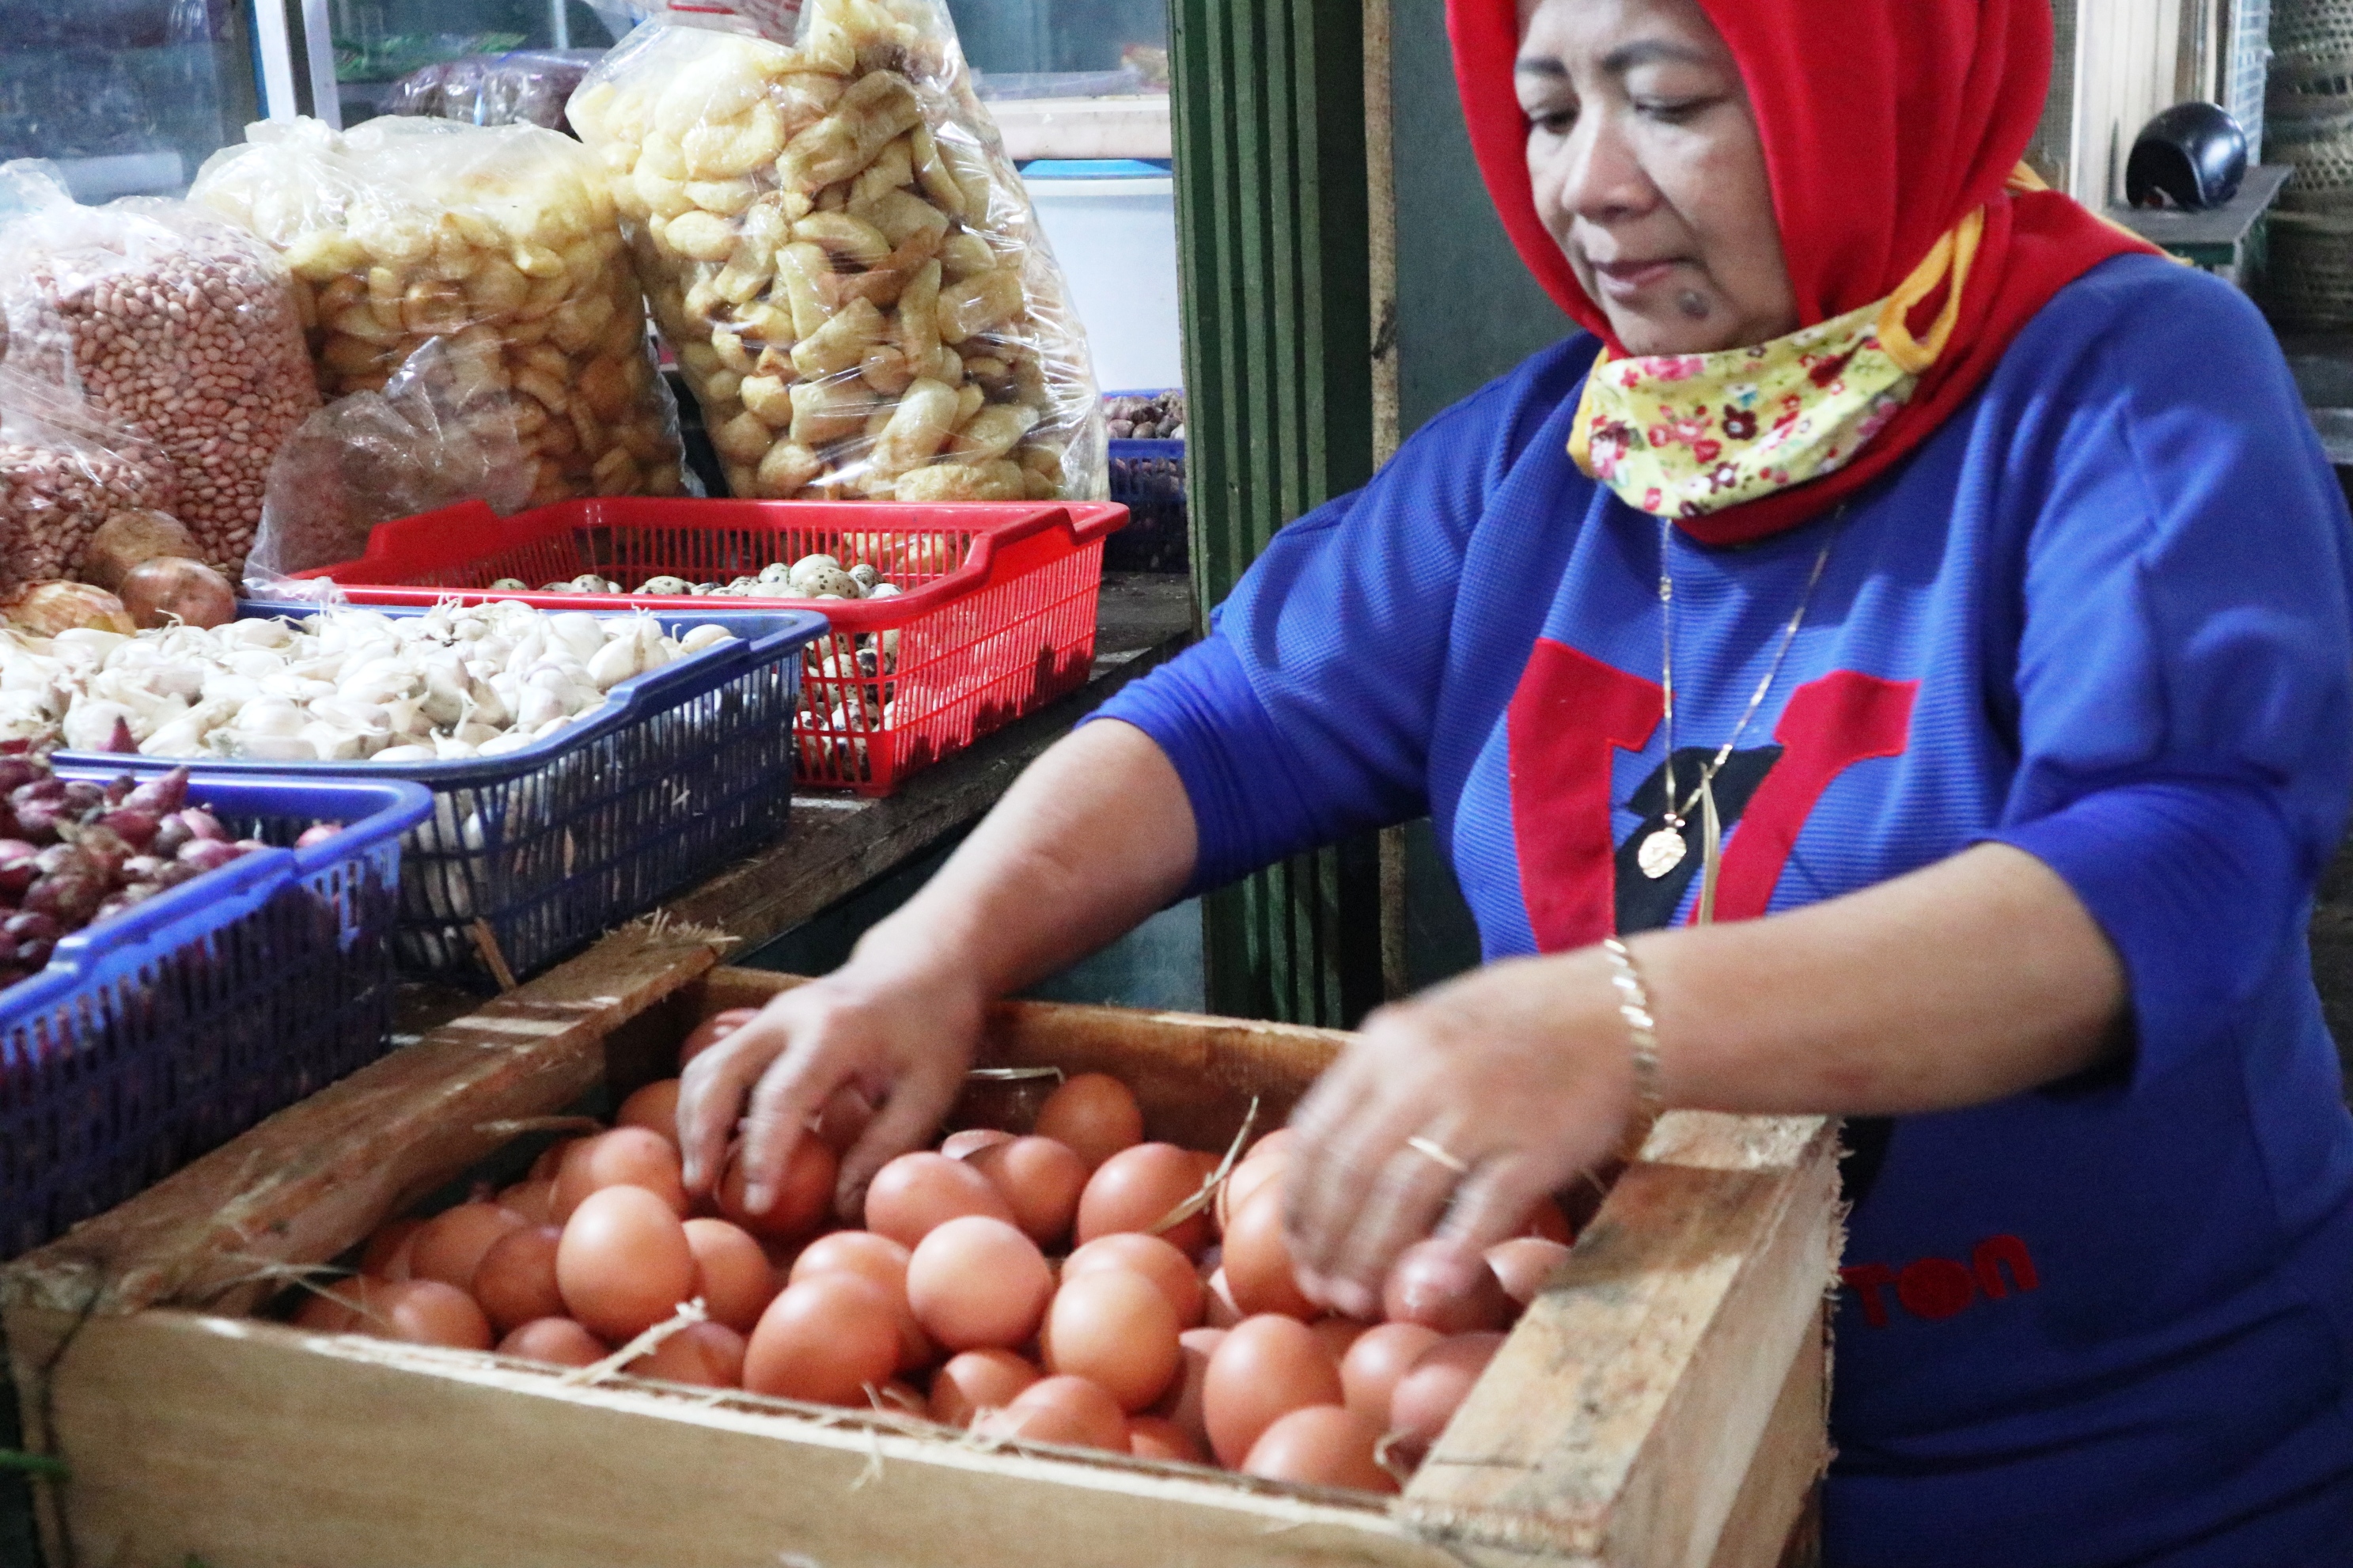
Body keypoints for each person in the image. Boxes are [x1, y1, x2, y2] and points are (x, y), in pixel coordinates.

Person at [679, 0, 2353, 1559]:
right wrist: (933, 954)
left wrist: (1608, 1022)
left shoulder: (2127, 386)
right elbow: (1228, 722)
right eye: (1545, 110)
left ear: (1871, 77)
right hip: (1649, 1454)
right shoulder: (1556, 455)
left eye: (1673, 101)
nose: (1588, 186)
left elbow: (2178, 869)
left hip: (2116, 1472)